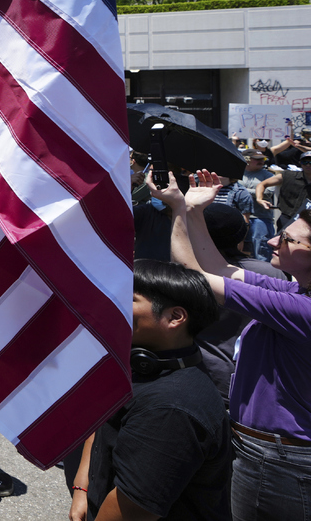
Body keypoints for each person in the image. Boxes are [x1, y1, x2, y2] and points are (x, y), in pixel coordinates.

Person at [152, 169, 311, 521]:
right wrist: (194, 211)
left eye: (287, 239)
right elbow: (220, 268)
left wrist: (177, 210)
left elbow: (195, 277)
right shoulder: (297, 291)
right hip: (274, 451)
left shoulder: (302, 308)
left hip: (280, 459)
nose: (272, 241)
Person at [69, 259, 230, 521]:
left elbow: (133, 507)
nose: (113, 303)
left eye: (129, 298)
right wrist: (82, 486)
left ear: (175, 317)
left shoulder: (172, 407)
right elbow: (104, 420)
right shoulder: (143, 362)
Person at [193, 203, 285, 406]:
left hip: (199, 375)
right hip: (255, 380)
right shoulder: (270, 274)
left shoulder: (184, 271)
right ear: (242, 236)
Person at [238, 148, 276, 261]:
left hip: (260, 217)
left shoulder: (269, 175)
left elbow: (268, 193)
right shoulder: (237, 173)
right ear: (246, 160)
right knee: (239, 248)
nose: (261, 161)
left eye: (262, 159)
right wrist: (253, 191)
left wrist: (242, 190)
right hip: (239, 216)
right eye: (257, 159)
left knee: (262, 250)